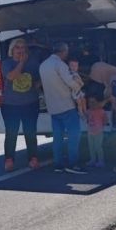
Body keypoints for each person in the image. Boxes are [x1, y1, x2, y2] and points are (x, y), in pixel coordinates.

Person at [39, 42, 86, 174]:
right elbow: (71, 83)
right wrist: (79, 85)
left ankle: (58, 164)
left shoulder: (43, 65)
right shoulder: (60, 65)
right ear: (63, 52)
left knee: (57, 137)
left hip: (53, 108)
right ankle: (73, 164)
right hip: (67, 106)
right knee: (73, 135)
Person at [0, 38, 41, 172]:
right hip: (10, 105)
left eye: (23, 47)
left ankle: (33, 158)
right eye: (17, 47)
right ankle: (9, 160)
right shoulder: (6, 63)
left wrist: (38, 85)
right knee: (11, 134)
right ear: (12, 50)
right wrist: (22, 63)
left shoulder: (33, 63)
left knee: (30, 133)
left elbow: (37, 80)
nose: (20, 50)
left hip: (30, 104)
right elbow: (11, 77)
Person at [85, 92, 108, 168]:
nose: (91, 104)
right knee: (91, 147)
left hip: (98, 132)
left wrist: (103, 125)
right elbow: (87, 119)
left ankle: (101, 161)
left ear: (98, 102)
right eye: (90, 102)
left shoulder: (101, 111)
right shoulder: (88, 111)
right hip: (90, 132)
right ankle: (93, 160)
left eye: (93, 102)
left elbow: (105, 119)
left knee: (98, 147)